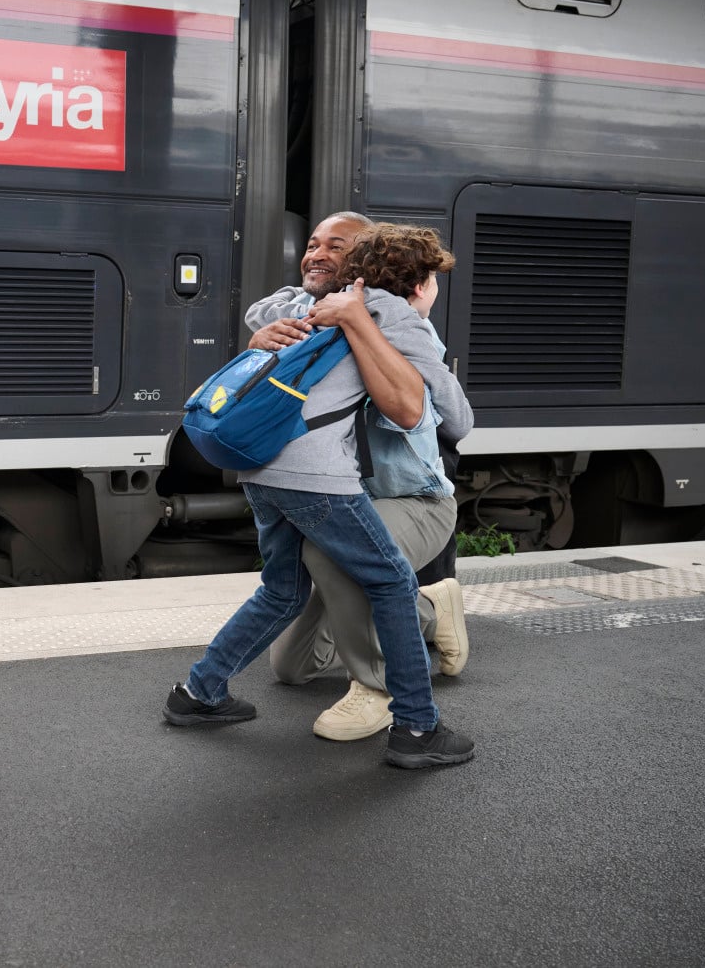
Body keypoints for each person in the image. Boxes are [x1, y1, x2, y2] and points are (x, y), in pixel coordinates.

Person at [162, 213, 475, 769]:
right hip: (317, 478)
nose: (317, 254)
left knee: (283, 589)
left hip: (258, 470)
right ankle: (417, 728)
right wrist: (415, 321)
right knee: (392, 581)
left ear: (355, 259)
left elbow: (264, 308)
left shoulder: (293, 308)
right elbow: (455, 417)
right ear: (413, 278)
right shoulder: (387, 312)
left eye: (335, 246)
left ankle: (197, 693)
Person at [260, 221, 471, 742]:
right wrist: (261, 337)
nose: (318, 255)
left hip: (412, 498)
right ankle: (430, 606)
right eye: (312, 245)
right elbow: (274, 304)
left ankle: (376, 690)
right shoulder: (310, 318)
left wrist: (380, 325)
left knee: (331, 556)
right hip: (347, 503)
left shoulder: (400, 327)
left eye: (337, 248)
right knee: (291, 668)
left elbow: (453, 419)